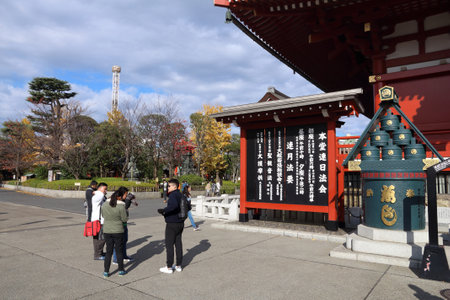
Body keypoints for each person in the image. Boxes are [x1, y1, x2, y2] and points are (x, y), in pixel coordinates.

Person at [157, 178, 185, 274]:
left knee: (169, 245)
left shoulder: (173, 195)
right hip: (180, 223)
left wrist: (164, 210)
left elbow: (173, 206)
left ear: (174, 186)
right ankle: (178, 265)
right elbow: (188, 207)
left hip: (172, 223)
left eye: (169, 186)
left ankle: (169, 267)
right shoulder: (181, 195)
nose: (167, 188)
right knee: (178, 244)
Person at [101, 188, 128, 278]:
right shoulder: (121, 206)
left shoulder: (104, 205)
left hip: (107, 230)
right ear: (119, 197)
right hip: (118, 230)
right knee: (119, 251)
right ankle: (121, 270)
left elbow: (103, 216)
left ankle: (106, 271)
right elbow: (124, 219)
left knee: (109, 251)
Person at [112, 188, 137, 264]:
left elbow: (128, 206)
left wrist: (130, 200)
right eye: (126, 194)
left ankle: (124, 256)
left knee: (124, 240)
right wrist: (128, 200)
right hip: (118, 224)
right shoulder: (116, 201)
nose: (127, 196)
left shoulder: (124, 200)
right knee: (118, 242)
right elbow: (123, 208)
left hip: (124, 223)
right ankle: (115, 259)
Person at [91, 182, 108, 260]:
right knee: (101, 238)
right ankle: (97, 254)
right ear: (100, 188)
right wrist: (98, 191)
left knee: (98, 237)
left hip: (99, 220)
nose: (106, 191)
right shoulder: (97, 196)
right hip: (99, 221)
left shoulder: (99, 195)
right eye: (105, 189)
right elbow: (101, 195)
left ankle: (99, 252)